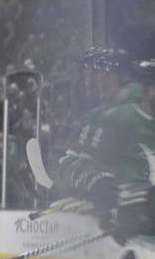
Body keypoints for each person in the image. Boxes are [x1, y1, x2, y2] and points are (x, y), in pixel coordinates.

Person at [58, 55, 155, 244]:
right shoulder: (119, 119)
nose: (96, 82)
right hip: (133, 239)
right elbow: (72, 164)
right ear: (147, 88)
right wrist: (96, 183)